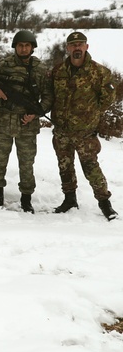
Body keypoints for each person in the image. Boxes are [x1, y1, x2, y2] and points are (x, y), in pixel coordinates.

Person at [48, 31, 117, 220]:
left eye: (80, 44)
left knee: (91, 168)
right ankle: (69, 199)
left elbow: (107, 99)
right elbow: (50, 97)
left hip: (85, 133)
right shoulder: (58, 71)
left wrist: (89, 115)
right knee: (65, 167)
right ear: (68, 48)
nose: (77, 48)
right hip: (62, 130)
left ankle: (105, 203)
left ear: (87, 47)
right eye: (73, 45)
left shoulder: (100, 72)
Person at [0, 31, 53, 212]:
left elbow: (48, 96)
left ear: (32, 47)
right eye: (20, 45)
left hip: (26, 123)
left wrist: (36, 113)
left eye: (27, 46)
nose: (23, 48)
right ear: (15, 46)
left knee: (27, 162)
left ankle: (26, 198)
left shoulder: (40, 68)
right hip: (4, 119)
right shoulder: (4, 65)